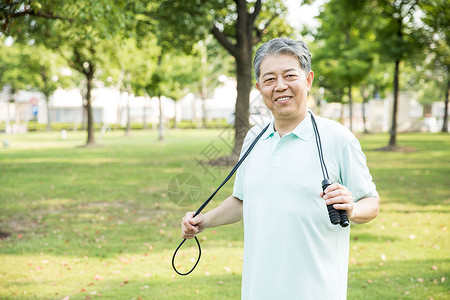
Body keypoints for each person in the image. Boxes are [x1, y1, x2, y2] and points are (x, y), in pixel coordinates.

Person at [181, 37, 380, 300]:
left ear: (308, 80)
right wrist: (204, 220)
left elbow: (372, 202)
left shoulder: (338, 138)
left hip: (316, 292)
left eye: (289, 76)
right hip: (257, 290)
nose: (280, 86)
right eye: (270, 79)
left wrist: (352, 208)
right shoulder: (253, 138)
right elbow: (243, 200)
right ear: (259, 87)